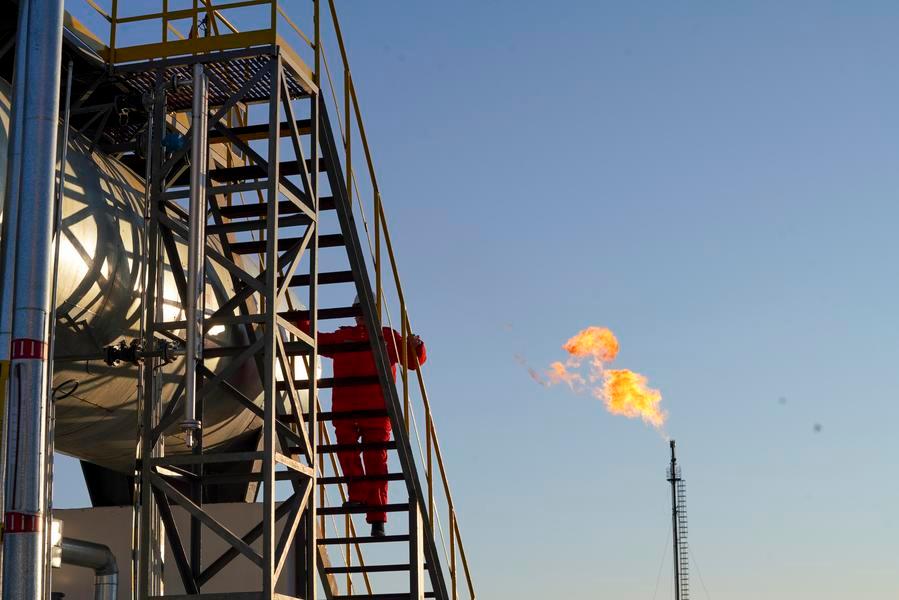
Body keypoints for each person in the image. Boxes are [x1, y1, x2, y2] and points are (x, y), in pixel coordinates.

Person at [299, 300, 426, 537]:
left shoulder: (388, 337)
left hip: (376, 411)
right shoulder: (344, 336)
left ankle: (377, 520)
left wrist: (417, 346)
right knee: (347, 453)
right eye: (358, 311)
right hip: (346, 410)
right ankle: (357, 496)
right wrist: (300, 321)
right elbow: (316, 340)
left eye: (365, 310)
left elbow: (412, 361)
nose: (361, 316)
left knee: (376, 463)